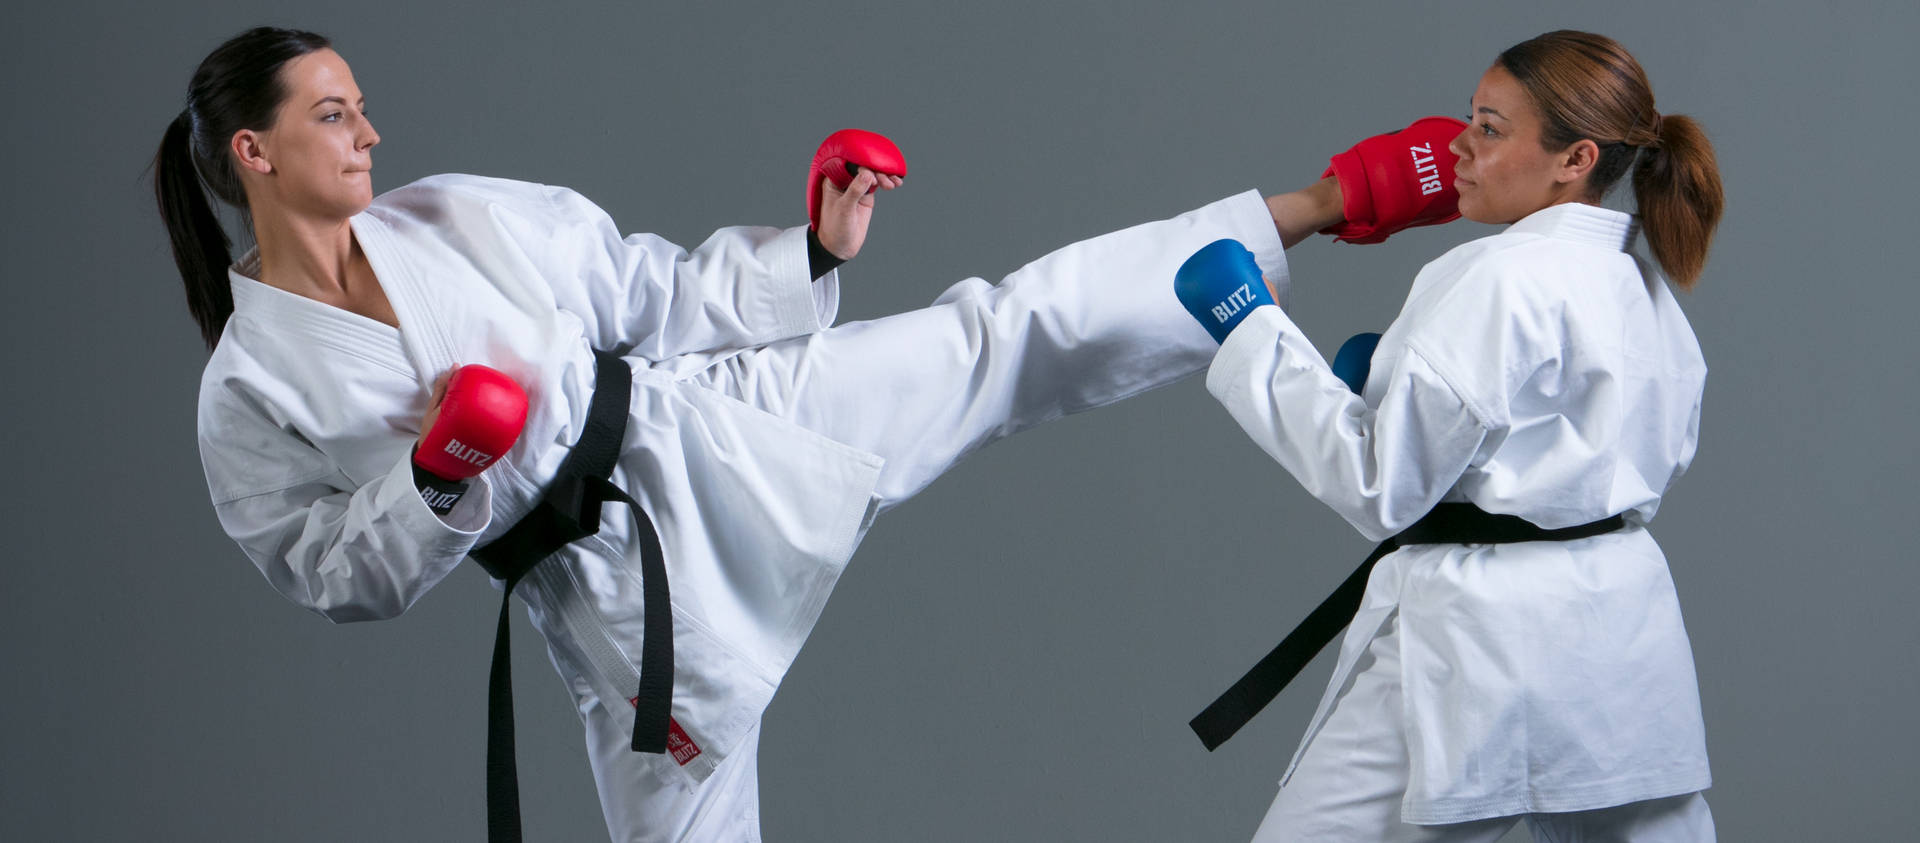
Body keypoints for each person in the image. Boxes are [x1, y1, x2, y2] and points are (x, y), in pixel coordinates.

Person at [154, 26, 1327, 843]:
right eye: (333, 113)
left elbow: (644, 294)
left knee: (991, 337)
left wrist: (812, 249)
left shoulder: (451, 213)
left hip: (708, 434)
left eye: (359, 105)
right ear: (254, 154)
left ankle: (1317, 208)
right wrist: (433, 477)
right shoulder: (248, 389)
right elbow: (330, 573)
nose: (369, 131)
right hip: (611, 601)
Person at [1172, 30, 1723, 843]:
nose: (1458, 146)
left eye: (1490, 130)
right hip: (1618, 637)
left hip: (1474, 636)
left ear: (1574, 159)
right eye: (1471, 119)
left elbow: (1380, 485)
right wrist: (1382, 394)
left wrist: (1251, 329)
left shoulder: (1495, 275)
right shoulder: (1642, 281)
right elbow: (1613, 448)